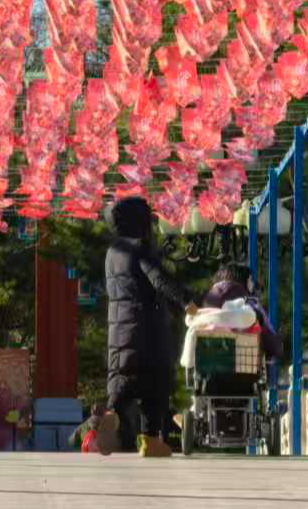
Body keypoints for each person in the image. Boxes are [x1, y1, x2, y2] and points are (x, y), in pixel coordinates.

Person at [100, 195, 198, 458]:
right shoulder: (139, 248)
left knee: (122, 383)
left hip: (118, 333)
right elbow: (159, 279)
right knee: (155, 387)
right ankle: (150, 440)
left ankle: (112, 415)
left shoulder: (112, 253)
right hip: (146, 332)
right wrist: (187, 302)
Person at [200, 263, 286, 361]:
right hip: (244, 371)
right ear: (244, 283)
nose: (252, 284)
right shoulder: (250, 309)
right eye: (250, 280)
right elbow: (273, 348)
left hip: (209, 368)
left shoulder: (205, 311)